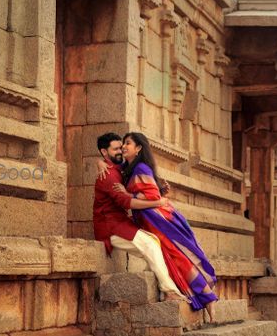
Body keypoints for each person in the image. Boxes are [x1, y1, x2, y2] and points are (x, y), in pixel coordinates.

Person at [113, 132, 219, 321]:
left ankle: (208, 297)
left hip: (159, 219)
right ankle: (205, 298)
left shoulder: (141, 168)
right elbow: (109, 164)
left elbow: (153, 197)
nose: (123, 146)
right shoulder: (130, 169)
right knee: (171, 256)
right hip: (149, 218)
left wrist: (128, 195)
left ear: (138, 148)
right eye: (123, 143)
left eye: (128, 143)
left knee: (178, 256)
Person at [92, 132, 184, 303]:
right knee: (150, 244)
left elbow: (137, 184)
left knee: (155, 241)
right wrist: (158, 202)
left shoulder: (118, 168)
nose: (121, 151)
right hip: (109, 227)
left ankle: (165, 287)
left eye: (122, 147)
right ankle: (169, 291)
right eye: (116, 149)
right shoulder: (108, 176)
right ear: (105, 152)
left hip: (121, 223)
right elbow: (129, 203)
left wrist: (158, 187)